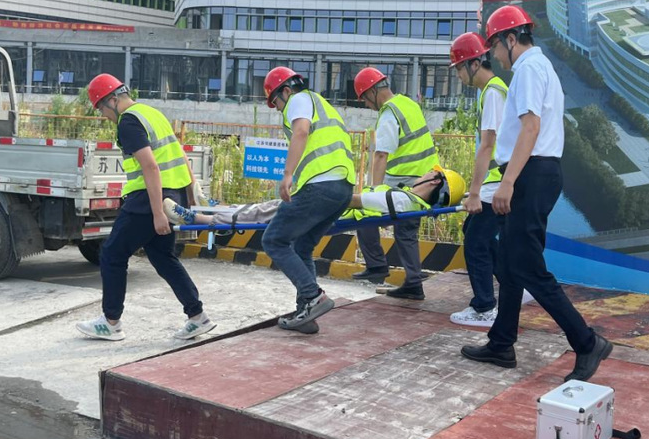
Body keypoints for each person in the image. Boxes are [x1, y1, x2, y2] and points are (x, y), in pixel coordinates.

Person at [460, 6, 612, 382]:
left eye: (496, 47)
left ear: (511, 40)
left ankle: (587, 342)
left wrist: (508, 182)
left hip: (531, 173)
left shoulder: (528, 69)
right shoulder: (541, 67)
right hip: (537, 172)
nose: (495, 57)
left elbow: (530, 128)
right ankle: (501, 343)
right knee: (512, 262)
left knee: (527, 266)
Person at [75, 74, 214, 342]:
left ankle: (111, 322)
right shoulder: (151, 113)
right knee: (162, 257)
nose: (104, 115)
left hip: (147, 200)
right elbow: (180, 154)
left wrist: (158, 213)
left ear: (112, 100)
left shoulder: (128, 122)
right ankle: (197, 317)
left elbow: (150, 166)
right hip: (171, 194)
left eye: (102, 108)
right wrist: (191, 193)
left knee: (112, 254)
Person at [260, 67, 356, 331]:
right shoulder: (323, 105)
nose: (278, 109)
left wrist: (287, 174)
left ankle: (313, 296)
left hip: (320, 185)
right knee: (303, 245)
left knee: (274, 240)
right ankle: (307, 313)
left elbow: (301, 131)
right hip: (342, 188)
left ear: (286, 91)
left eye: (276, 102)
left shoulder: (299, 99)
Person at [352, 68, 440, 300]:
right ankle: (413, 282)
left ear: (373, 91)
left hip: (406, 182)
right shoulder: (408, 104)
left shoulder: (389, 112)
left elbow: (381, 154)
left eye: (365, 98)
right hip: (427, 180)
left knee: (363, 211)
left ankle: (376, 265)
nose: (366, 105)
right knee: (406, 231)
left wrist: (374, 191)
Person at [166, 166, 465, 227]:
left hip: (326, 210)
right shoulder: (406, 199)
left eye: (430, 172)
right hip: (327, 209)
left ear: (435, 181)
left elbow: (353, 200)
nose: (423, 173)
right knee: (265, 209)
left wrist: (316, 194)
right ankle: (213, 209)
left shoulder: (402, 201)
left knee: (262, 215)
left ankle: (199, 218)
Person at [448, 32, 507, 328]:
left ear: (474, 64)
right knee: (478, 236)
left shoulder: (493, 92)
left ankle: (484, 308)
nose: (458, 75)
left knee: (475, 242)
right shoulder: (492, 91)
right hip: (497, 181)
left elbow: (488, 144)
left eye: (459, 68)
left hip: (495, 182)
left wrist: (473, 193)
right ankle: (513, 285)